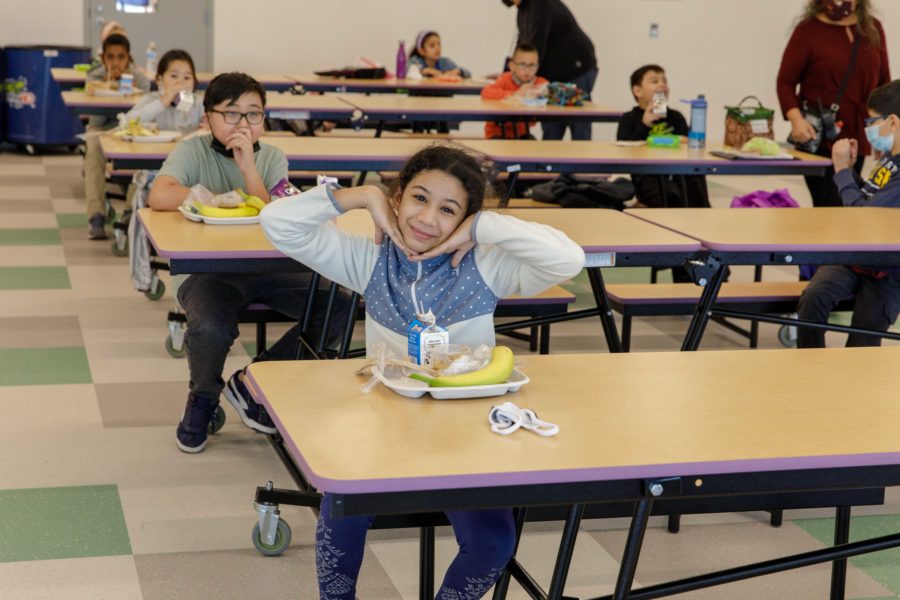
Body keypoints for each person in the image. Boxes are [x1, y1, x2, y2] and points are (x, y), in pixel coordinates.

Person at [259, 144, 585, 599]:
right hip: (383, 429)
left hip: (469, 436)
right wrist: (360, 196)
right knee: (341, 517)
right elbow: (277, 224)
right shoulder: (371, 259)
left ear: (463, 221)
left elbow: (568, 260)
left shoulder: (487, 265)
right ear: (398, 198)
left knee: (493, 542)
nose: (428, 219)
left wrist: (486, 225)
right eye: (419, 198)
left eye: (449, 210)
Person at [148, 72, 348, 454]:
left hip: (271, 266)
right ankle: (203, 397)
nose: (243, 124)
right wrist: (217, 197)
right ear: (208, 117)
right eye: (232, 114)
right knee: (210, 327)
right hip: (210, 270)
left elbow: (280, 213)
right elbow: (160, 194)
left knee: (341, 305)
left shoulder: (270, 157)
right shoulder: (193, 151)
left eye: (253, 115)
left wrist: (249, 171)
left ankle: (255, 382)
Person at [797, 80, 900, 348]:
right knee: (813, 299)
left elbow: (864, 216)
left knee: (863, 341)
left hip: (888, 269)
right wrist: (852, 171)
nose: (868, 128)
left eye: (872, 121)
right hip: (854, 258)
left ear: (893, 122)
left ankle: (853, 387)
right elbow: (870, 197)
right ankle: (808, 365)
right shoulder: (889, 159)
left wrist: (842, 171)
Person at [777, 0, 890, 207]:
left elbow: (884, 85)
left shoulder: (873, 29)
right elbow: (785, 83)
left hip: (860, 136)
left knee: (851, 203)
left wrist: (886, 133)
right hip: (819, 138)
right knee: (832, 204)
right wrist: (796, 120)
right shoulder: (808, 31)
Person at [84, 33, 151, 240]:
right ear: (103, 59)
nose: (116, 62)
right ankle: (96, 214)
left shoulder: (140, 81)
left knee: (143, 155)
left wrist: (126, 89)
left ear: (129, 58)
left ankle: (129, 213)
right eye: (110, 57)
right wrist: (106, 85)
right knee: (93, 147)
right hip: (103, 129)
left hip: (130, 130)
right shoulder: (94, 79)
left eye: (120, 57)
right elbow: (96, 122)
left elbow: (143, 117)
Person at [617, 64, 710, 210]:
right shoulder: (629, 119)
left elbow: (688, 145)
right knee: (671, 198)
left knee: (695, 187)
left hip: (678, 172)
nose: (662, 85)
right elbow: (624, 149)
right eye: (655, 81)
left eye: (664, 81)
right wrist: (645, 124)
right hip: (648, 175)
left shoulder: (676, 117)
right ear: (638, 91)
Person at [502, 0, 598, 140]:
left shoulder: (540, 4)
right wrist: (508, 75)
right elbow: (522, 46)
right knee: (551, 124)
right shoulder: (523, 9)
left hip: (576, 69)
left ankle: (581, 161)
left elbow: (535, 45)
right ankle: (550, 160)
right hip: (552, 73)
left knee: (578, 123)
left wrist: (521, 78)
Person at [480, 42, 548, 139]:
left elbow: (551, 92)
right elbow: (485, 92)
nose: (527, 70)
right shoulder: (505, 79)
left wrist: (543, 93)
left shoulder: (538, 83)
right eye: (522, 65)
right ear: (512, 66)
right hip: (497, 133)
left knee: (533, 146)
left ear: (537, 66)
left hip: (522, 134)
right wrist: (516, 94)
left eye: (532, 65)